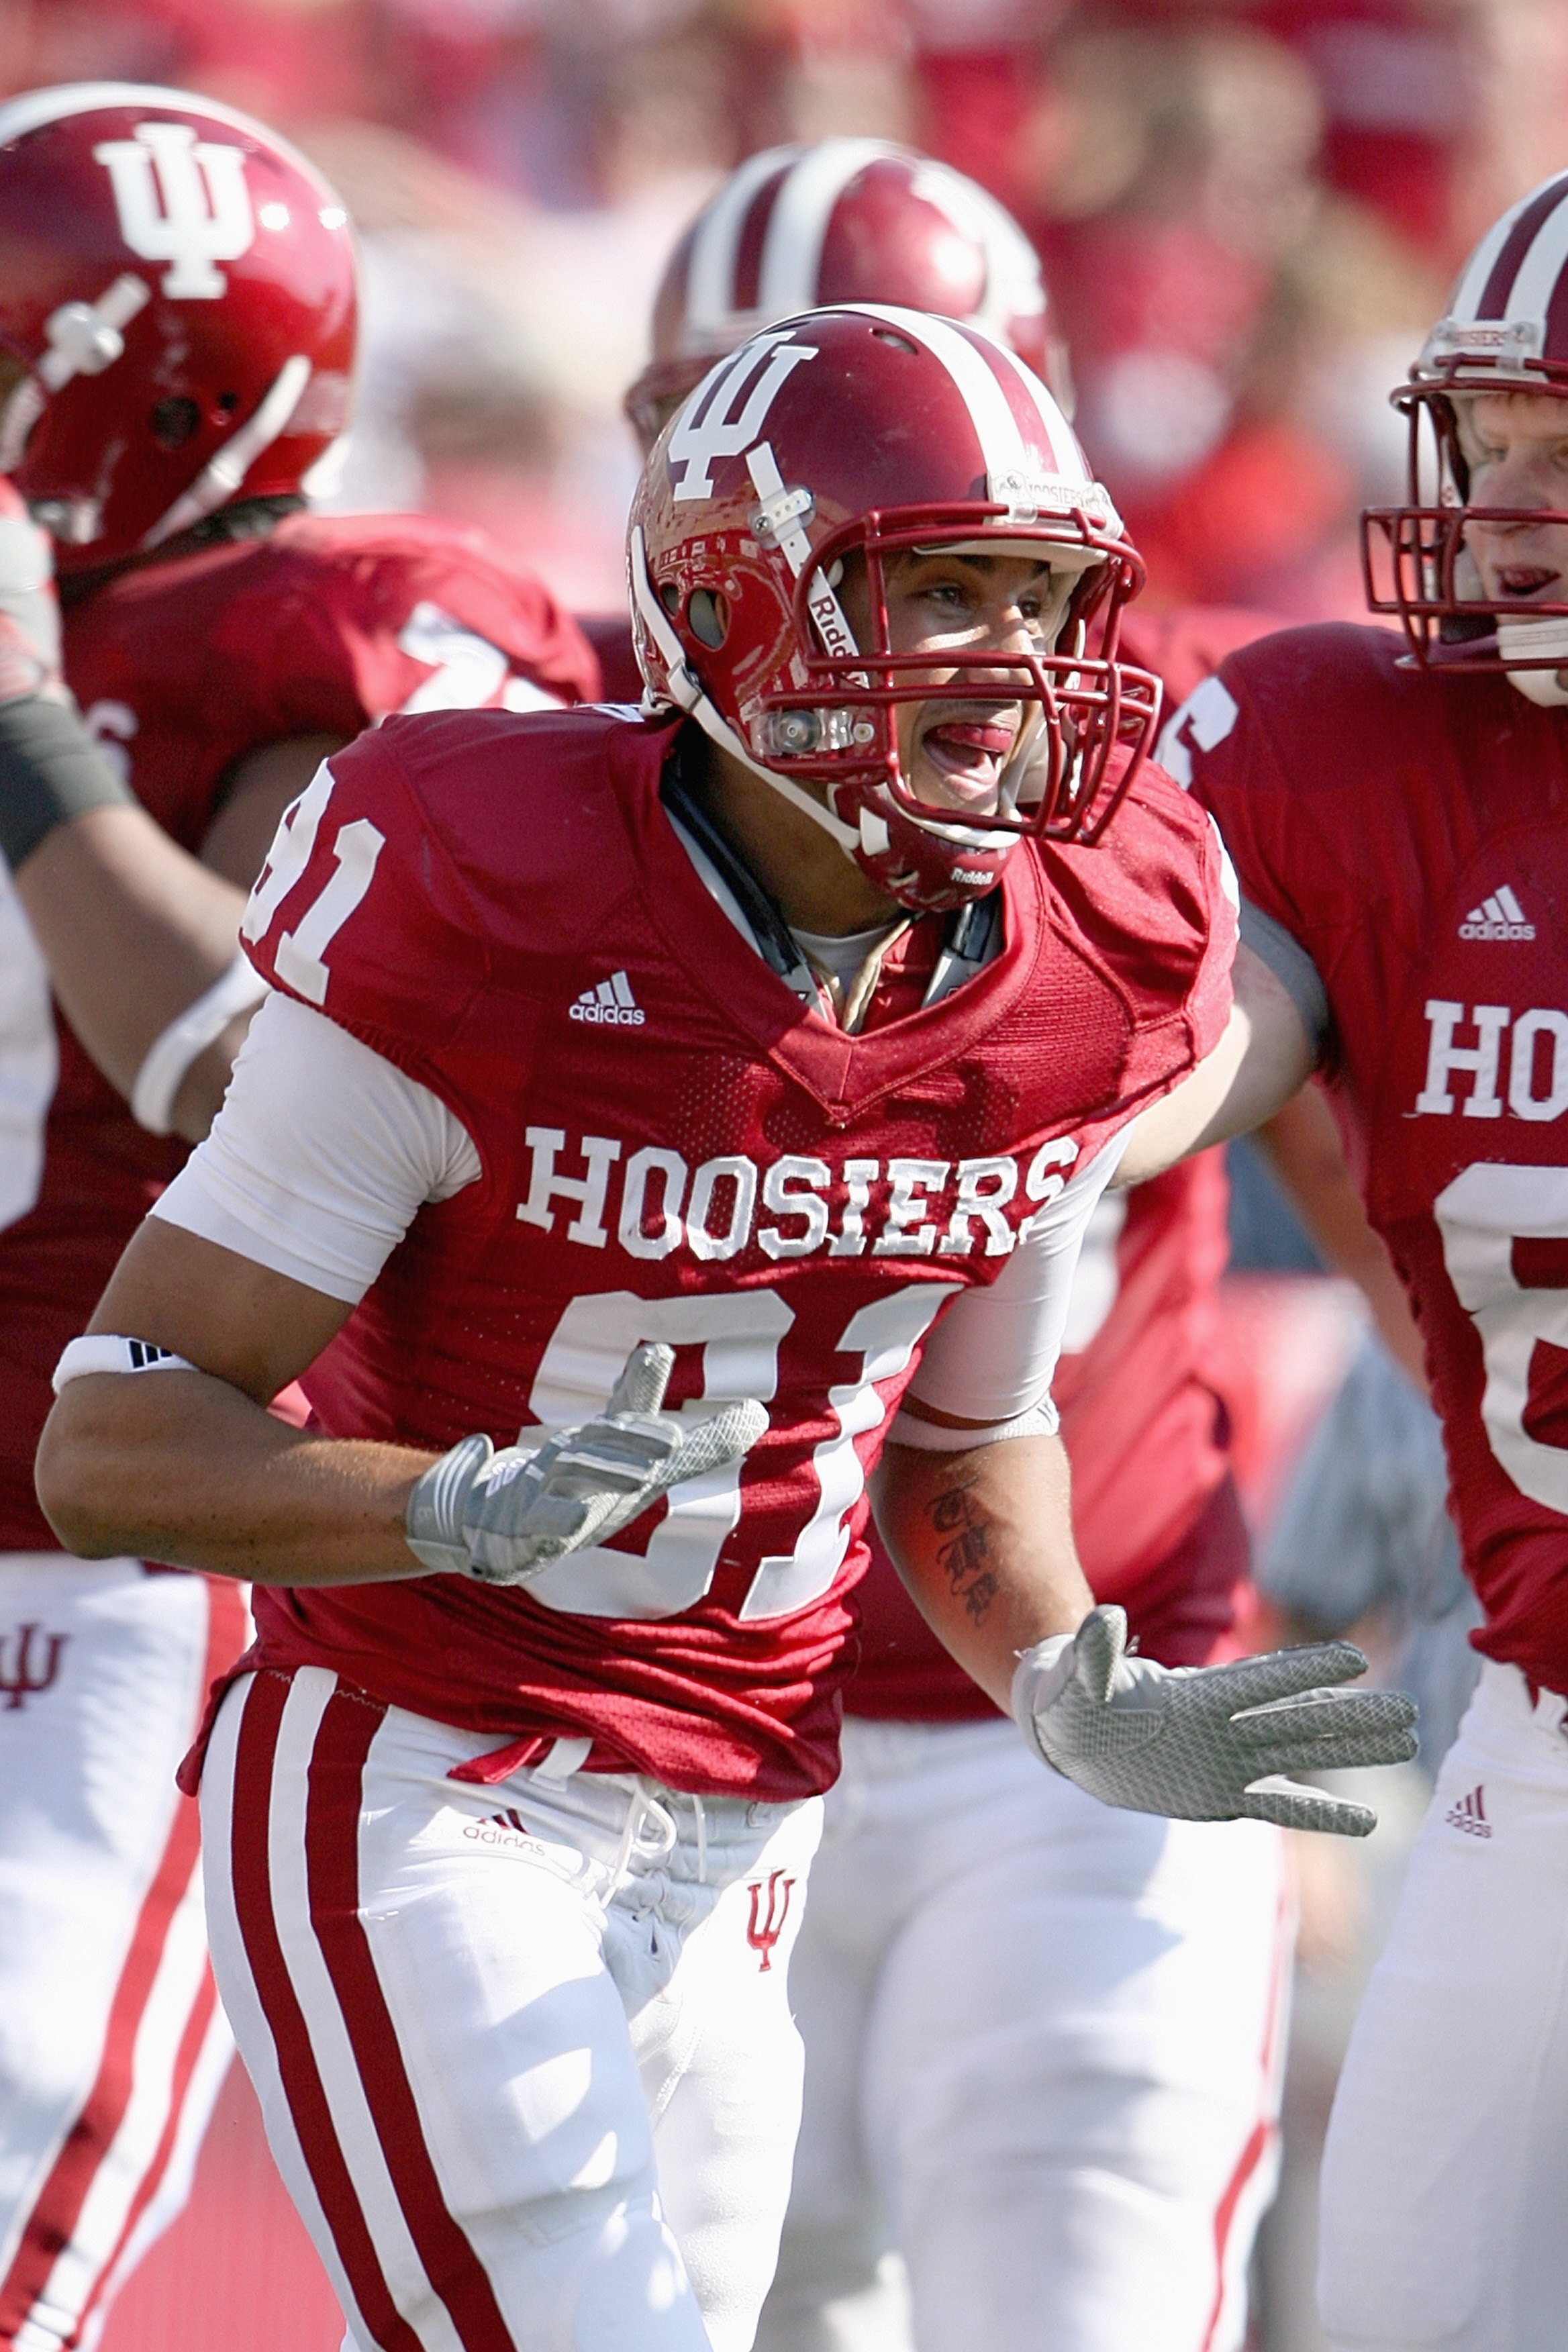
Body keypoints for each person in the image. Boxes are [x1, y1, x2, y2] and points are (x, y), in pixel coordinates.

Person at [34, 301, 1414, 2352]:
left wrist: (1065, 1684)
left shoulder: (1089, 955)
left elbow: (965, 1440)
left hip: (748, 1818)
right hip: (431, 1776)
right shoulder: (484, 885)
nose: (1008, 670)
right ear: (731, 597)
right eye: (940, 590)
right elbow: (119, 1434)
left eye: (1043, 601)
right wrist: (455, 1505)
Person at [626, 141, 1294, 2352]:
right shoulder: (523, 774)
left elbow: (1326, 1061)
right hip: (663, 1726)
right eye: (757, 410)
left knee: (1078, 2283)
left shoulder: (1182, 740)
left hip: (1076, 1688)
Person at [0, 81, 597, 2352]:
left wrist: (25, 729)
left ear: (142, 390)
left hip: (106, 1570)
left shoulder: (341, 627)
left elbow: (286, 1081)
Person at [1150, 167, 1568, 2352]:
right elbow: (1190, 1058)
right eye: (1488, 443)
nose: (1503, 507)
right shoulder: (1371, 749)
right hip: (1542, 1726)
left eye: (1565, 455)